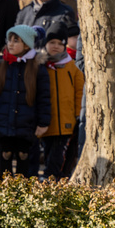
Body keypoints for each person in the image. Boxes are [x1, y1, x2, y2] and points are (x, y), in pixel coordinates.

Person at [0, 25, 51, 177]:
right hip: (2, 123)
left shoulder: (37, 68)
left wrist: (43, 122)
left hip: (26, 124)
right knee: (3, 157)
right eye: (9, 40)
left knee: (23, 157)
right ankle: (3, 192)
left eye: (16, 40)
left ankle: (22, 192)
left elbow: (44, 98)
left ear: (26, 44)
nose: (10, 44)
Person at [39, 21, 84, 179]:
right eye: (52, 42)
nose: (56, 46)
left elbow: (79, 92)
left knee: (58, 154)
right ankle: (51, 176)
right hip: (46, 120)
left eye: (60, 43)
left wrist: (78, 114)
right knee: (48, 150)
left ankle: (53, 177)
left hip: (66, 120)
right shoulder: (41, 66)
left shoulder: (72, 68)